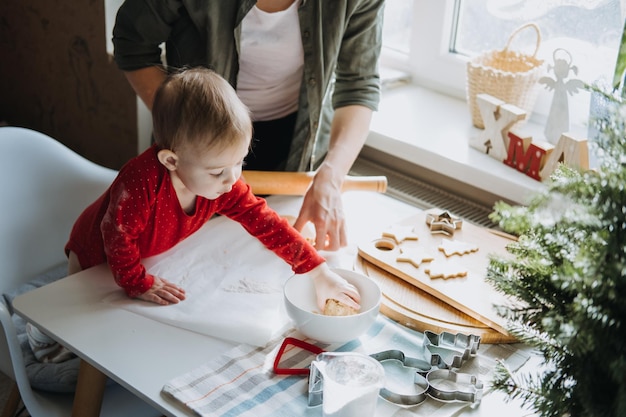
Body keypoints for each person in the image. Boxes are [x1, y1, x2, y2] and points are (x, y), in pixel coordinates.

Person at [26, 67, 360, 362]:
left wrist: (318, 272)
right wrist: (136, 283)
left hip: (140, 252)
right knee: (72, 327)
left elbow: (264, 221)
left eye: (239, 162)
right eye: (218, 172)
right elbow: (116, 234)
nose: (232, 180)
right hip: (94, 251)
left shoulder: (224, 184)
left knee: (116, 335)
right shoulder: (140, 182)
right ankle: (36, 334)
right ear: (171, 161)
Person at [112, 0, 385, 251]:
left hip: (297, 144)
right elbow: (133, 44)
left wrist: (332, 176)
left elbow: (358, 85)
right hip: (200, 155)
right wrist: (191, 135)